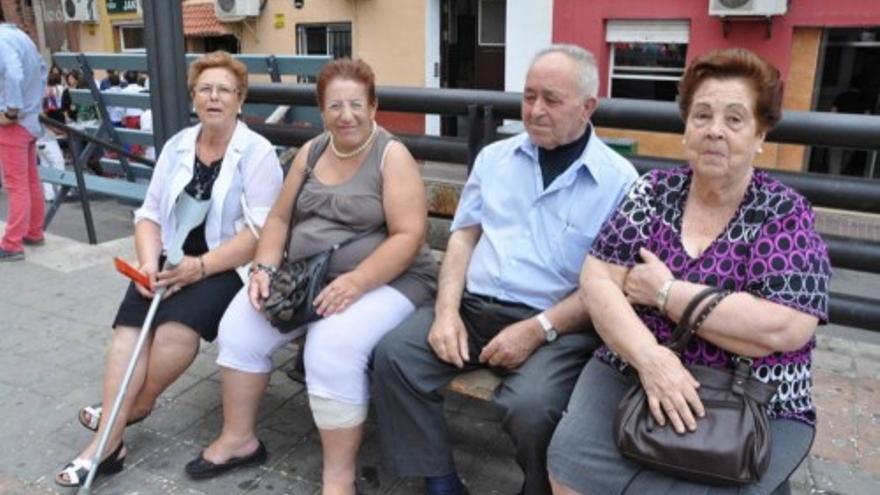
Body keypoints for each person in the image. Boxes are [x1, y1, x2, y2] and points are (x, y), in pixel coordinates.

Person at [547, 48, 831, 495]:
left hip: (753, 391)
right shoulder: (653, 191)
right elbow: (598, 281)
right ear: (686, 128)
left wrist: (663, 293)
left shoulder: (783, 212)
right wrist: (652, 357)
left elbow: (783, 327)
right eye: (702, 116)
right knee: (571, 468)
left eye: (735, 119)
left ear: (761, 133)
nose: (715, 131)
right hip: (633, 363)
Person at [371, 44, 638, 495]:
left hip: (560, 324)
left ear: (588, 106)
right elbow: (463, 237)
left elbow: (611, 286)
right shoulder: (495, 159)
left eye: (551, 99)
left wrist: (537, 330)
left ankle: (539, 488)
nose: (534, 110)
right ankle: (440, 479)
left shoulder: (620, 182)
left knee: (533, 406)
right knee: (393, 356)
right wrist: (446, 311)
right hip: (474, 308)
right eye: (528, 96)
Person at [187, 58, 438, 494]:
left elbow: (409, 236)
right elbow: (279, 220)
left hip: (389, 280)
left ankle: (339, 477)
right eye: (335, 105)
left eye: (356, 104)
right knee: (239, 327)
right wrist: (264, 269)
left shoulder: (390, 155)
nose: (346, 115)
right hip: (309, 275)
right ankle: (238, 439)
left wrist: (356, 282)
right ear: (322, 111)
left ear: (374, 105)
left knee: (330, 348)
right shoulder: (313, 150)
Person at [54, 51, 284, 487]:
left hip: (221, 265)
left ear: (240, 99)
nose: (214, 97)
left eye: (225, 90)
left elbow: (260, 232)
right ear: (194, 97)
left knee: (174, 332)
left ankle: (113, 430)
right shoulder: (178, 145)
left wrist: (199, 267)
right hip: (167, 258)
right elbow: (150, 214)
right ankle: (114, 437)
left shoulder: (257, 153)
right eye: (205, 89)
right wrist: (147, 261)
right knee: (127, 337)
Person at [0, 22, 47, 261]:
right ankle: (34, 231)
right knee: (30, 180)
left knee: (16, 184)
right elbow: (41, 68)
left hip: (13, 124)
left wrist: (11, 110)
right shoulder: (19, 36)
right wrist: (32, 105)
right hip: (29, 120)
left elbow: (14, 74)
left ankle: (11, 243)